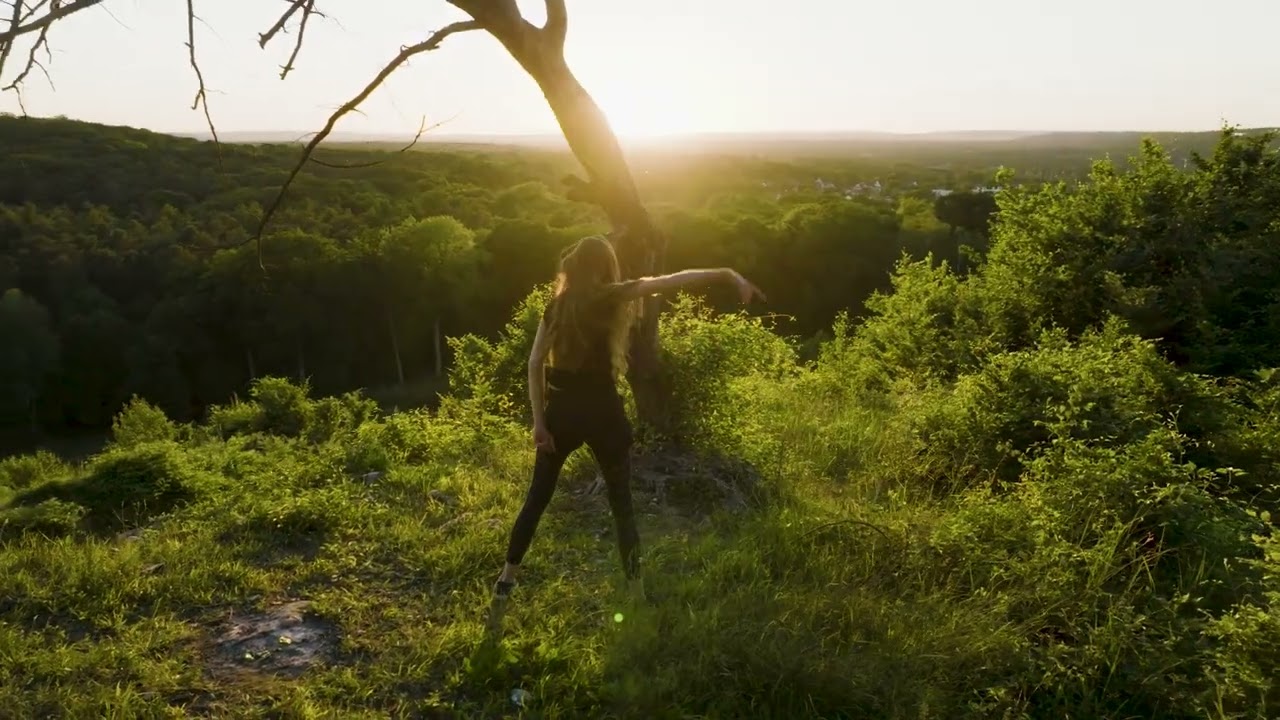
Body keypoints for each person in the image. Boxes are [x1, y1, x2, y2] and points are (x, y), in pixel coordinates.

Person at [489, 234, 766, 612]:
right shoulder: (612, 295)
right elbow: (671, 280)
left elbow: (536, 363)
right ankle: (635, 591)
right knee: (622, 505)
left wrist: (539, 423)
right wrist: (727, 273)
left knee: (537, 499)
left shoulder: (557, 306)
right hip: (604, 411)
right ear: (606, 266)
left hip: (561, 412)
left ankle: (506, 582)